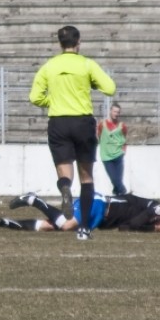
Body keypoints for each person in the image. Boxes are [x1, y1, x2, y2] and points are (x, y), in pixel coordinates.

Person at [29, 25, 116, 240]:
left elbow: (35, 97)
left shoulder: (49, 66)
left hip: (58, 122)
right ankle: (84, 229)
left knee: (65, 174)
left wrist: (55, 100)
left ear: (60, 43)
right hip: (82, 122)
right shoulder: (86, 64)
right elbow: (110, 88)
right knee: (86, 178)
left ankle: (65, 188)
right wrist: (92, 84)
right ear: (78, 43)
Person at [0, 191, 160, 233]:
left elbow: (125, 228)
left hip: (98, 217)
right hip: (99, 205)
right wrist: (154, 229)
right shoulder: (157, 208)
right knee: (66, 226)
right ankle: (35, 200)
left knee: (51, 227)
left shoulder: (148, 217)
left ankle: (7, 223)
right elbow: (133, 224)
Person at [98, 102, 128, 195]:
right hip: (106, 156)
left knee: (118, 180)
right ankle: (123, 193)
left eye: (118, 112)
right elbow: (99, 136)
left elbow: (124, 137)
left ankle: (117, 196)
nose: (116, 114)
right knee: (114, 179)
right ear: (110, 111)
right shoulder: (102, 124)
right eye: (114, 111)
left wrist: (123, 150)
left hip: (118, 155)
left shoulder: (122, 125)